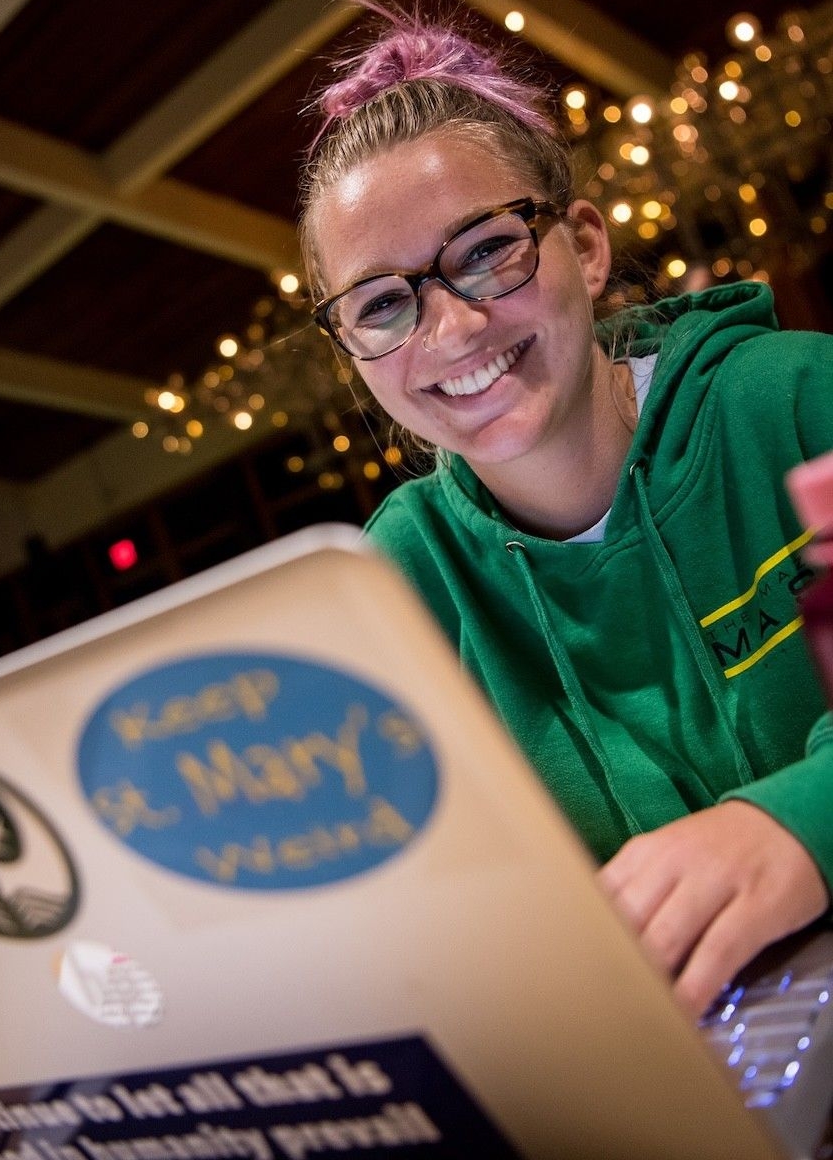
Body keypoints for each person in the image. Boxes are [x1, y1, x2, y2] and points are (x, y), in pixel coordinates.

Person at [297, 0, 833, 1018]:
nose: (450, 328)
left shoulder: (796, 399)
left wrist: (802, 823)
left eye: (484, 251)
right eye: (382, 303)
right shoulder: (393, 582)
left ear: (583, 246)